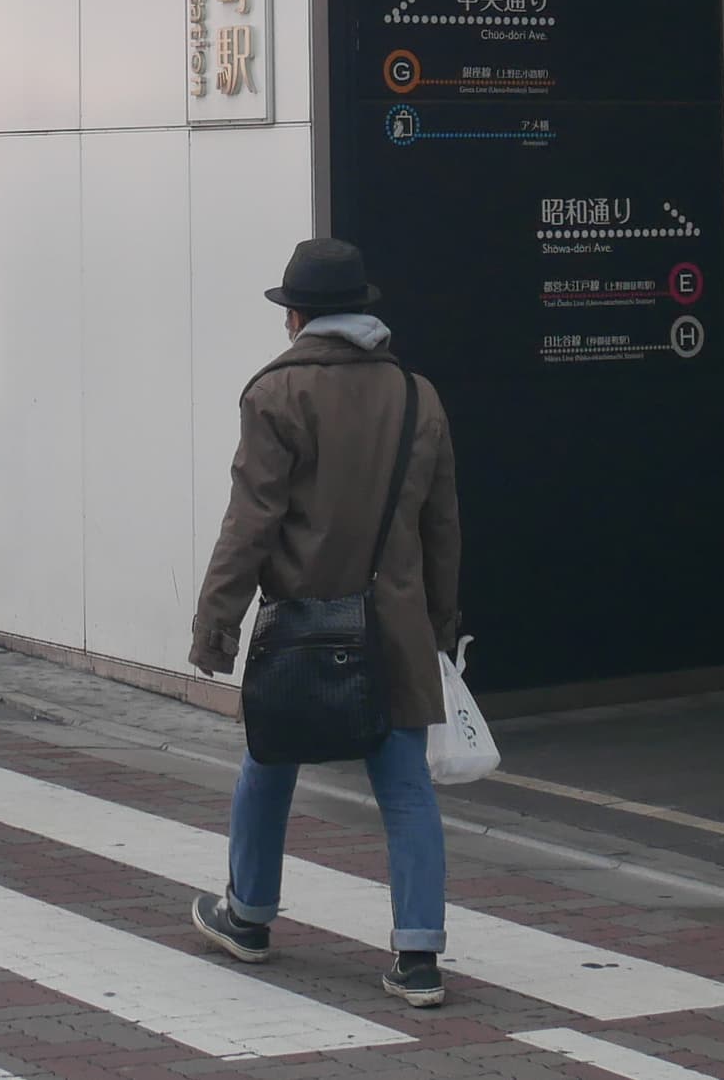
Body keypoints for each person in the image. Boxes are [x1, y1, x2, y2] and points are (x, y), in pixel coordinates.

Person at [184, 238, 465, 1013]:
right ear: (364, 312)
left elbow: (251, 523)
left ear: (298, 315)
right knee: (406, 790)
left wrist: (217, 623)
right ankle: (418, 960)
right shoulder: (419, 396)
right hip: (395, 625)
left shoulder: (277, 395)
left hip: (305, 627)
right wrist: (441, 623)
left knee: (268, 766)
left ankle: (248, 916)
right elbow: (443, 526)